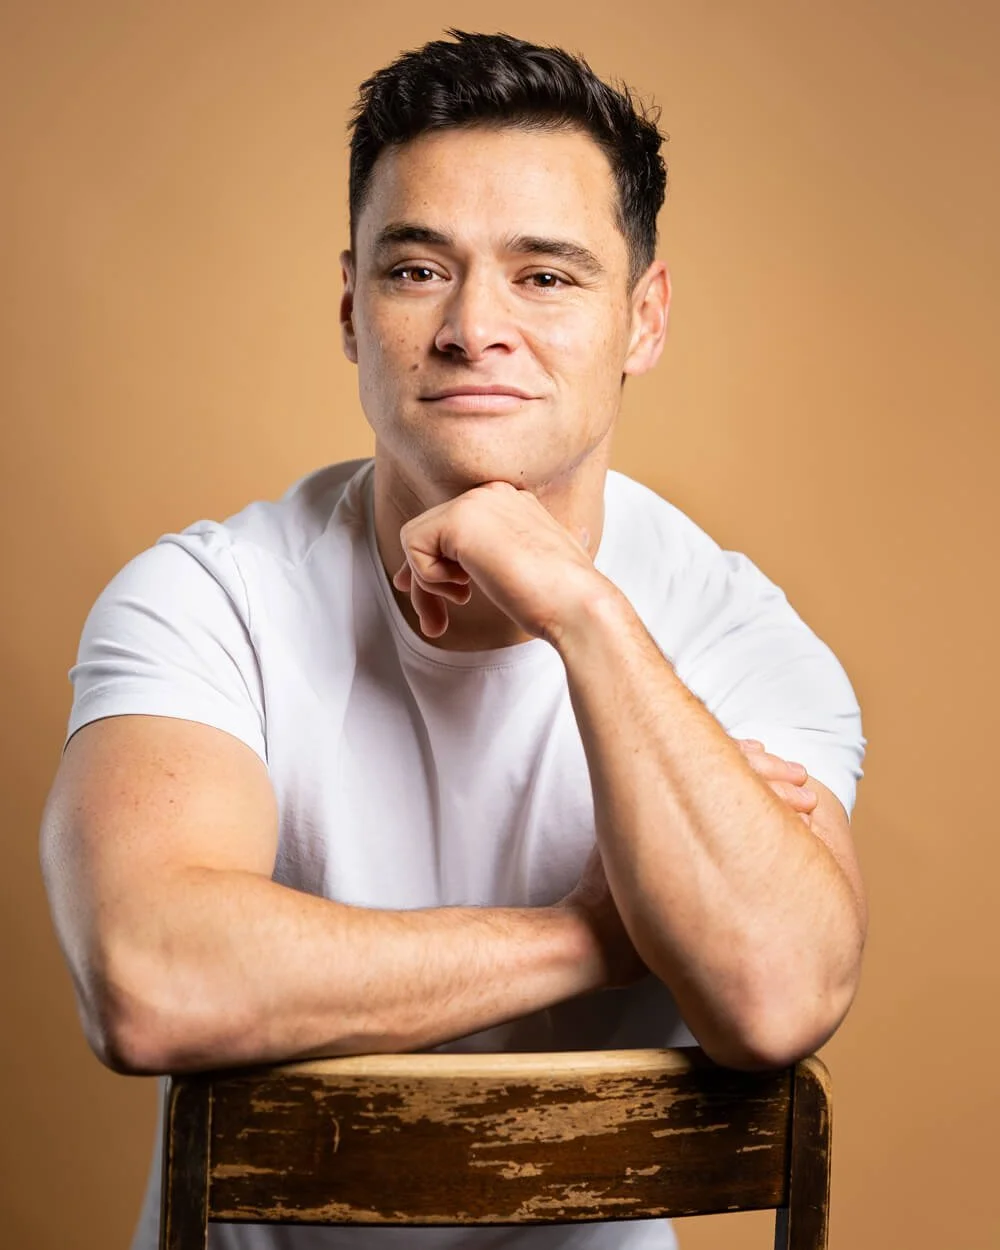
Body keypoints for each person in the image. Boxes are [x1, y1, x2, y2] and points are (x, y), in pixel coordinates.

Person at [40, 28, 867, 1250]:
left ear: (642, 320)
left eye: (545, 276)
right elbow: (149, 979)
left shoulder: (732, 630)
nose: (474, 325)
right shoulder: (205, 596)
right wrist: (593, 934)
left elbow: (778, 991)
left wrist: (580, 609)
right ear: (351, 309)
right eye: (418, 267)